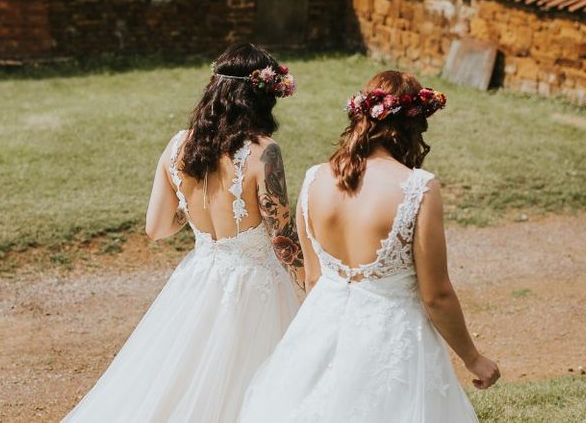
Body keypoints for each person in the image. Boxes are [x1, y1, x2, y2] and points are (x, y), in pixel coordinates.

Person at [60, 43, 304, 423]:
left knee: (177, 380)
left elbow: (157, 228)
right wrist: (312, 286)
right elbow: (283, 239)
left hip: (199, 279)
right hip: (258, 288)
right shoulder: (265, 152)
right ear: (261, 98)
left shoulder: (179, 144)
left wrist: (193, 216)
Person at [239, 70, 500, 422]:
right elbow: (435, 295)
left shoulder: (316, 178)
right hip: (392, 343)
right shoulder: (418, 187)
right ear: (413, 126)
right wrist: (473, 358)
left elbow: (314, 280)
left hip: (320, 333)